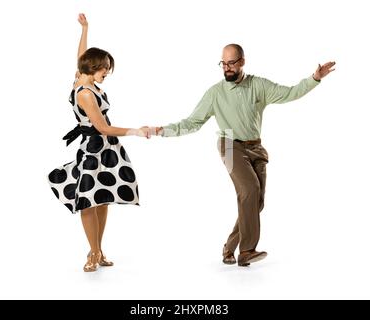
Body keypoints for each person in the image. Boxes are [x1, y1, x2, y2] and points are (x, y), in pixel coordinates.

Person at [154, 44, 335, 266]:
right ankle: (247, 250)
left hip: (256, 146)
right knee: (249, 190)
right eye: (223, 63)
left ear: (242, 62)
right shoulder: (215, 93)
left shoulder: (258, 85)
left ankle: (229, 248)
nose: (227, 68)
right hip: (229, 143)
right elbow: (192, 122)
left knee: (255, 202)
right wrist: (161, 130)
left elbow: (289, 93)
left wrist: (314, 78)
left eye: (231, 63)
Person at [47, 14, 151, 272]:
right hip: (94, 148)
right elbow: (102, 127)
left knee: (103, 197)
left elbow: (81, 56)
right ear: (93, 68)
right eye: (104, 68)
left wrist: (85, 29)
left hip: (107, 148)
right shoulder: (84, 93)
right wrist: (137, 131)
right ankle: (92, 252)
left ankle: (98, 249)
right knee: (88, 200)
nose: (107, 73)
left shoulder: (82, 76)